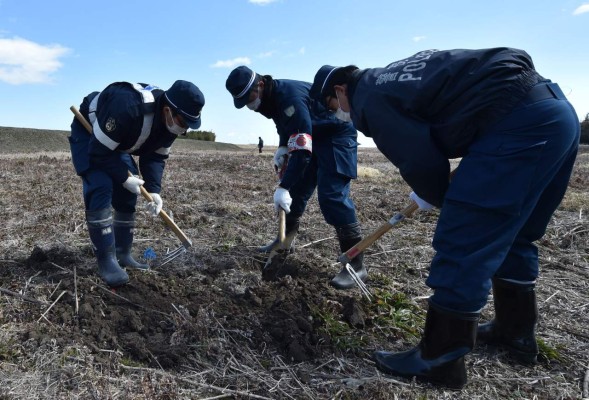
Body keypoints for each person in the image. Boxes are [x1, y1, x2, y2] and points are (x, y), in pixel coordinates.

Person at [311, 47, 580, 388]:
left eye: (334, 107)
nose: (339, 115)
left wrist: (435, 193)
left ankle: (439, 359)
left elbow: (419, 160)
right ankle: (515, 334)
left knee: (465, 234)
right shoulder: (393, 76)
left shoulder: (369, 97)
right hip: (555, 113)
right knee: (516, 233)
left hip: (519, 125)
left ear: (340, 90)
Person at [226, 65, 365, 289]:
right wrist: (282, 146)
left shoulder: (288, 96)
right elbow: (285, 123)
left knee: (332, 197)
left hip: (337, 135)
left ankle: (355, 265)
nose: (248, 106)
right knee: (298, 192)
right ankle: (284, 242)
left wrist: (283, 186)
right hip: (314, 134)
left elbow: (301, 149)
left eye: (248, 97)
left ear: (259, 85)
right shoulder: (269, 98)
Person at [69, 80, 205, 287]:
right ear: (168, 110)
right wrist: (124, 178)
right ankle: (107, 260)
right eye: (183, 122)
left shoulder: (172, 125)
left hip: (116, 142)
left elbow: (155, 158)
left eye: (188, 124)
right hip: (92, 133)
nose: (183, 129)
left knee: (128, 192)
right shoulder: (128, 108)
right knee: (101, 184)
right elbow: (98, 152)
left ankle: (124, 253)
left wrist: (154, 190)